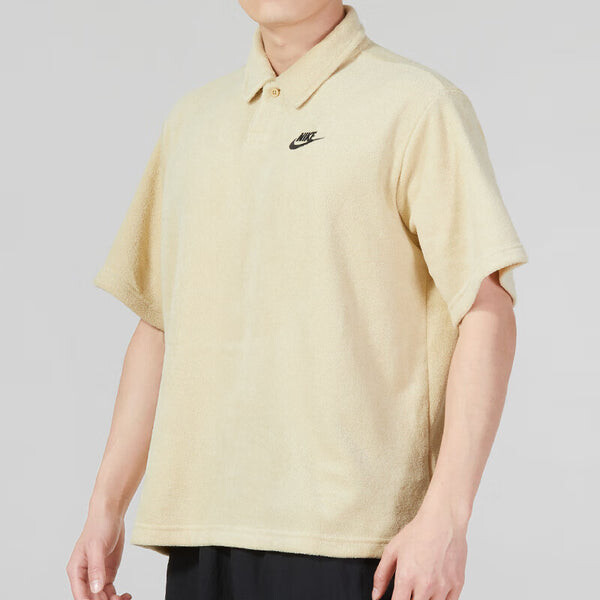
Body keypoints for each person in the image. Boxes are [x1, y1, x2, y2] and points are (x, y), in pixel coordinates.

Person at [66, 2, 529, 599]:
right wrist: (105, 505)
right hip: (200, 531)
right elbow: (159, 324)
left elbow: (486, 310)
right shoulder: (193, 121)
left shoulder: (417, 105)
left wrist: (448, 516)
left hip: (356, 539)